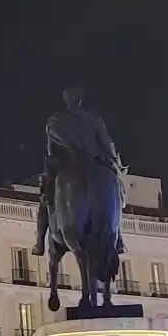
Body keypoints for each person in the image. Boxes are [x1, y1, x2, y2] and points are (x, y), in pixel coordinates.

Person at [33, 87, 126, 257]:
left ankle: (39, 242)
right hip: (94, 164)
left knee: (46, 200)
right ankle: (118, 236)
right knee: (116, 191)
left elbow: (51, 153)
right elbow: (107, 145)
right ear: (80, 100)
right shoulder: (94, 121)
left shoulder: (55, 122)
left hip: (67, 166)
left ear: (66, 100)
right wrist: (114, 163)